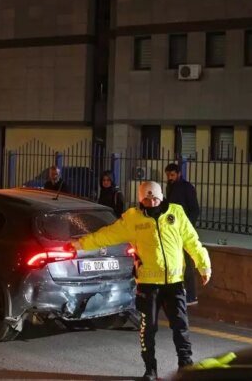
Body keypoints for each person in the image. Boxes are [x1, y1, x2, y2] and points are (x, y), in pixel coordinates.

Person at [72, 181, 211, 381]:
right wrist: (80, 244)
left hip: (174, 283)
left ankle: (185, 366)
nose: (152, 202)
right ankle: (150, 369)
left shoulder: (176, 214)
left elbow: (192, 241)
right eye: (147, 198)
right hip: (148, 285)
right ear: (140, 199)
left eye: (155, 197)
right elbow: (107, 236)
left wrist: (204, 265)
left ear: (162, 196)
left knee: (181, 326)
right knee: (148, 328)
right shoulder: (133, 219)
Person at [165, 163, 201, 306]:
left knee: (186, 263)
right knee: (175, 262)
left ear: (179, 174)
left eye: (172, 175)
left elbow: (194, 210)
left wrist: (187, 227)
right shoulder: (170, 187)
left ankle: (191, 296)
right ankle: (179, 293)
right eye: (168, 175)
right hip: (172, 230)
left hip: (184, 231)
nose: (170, 177)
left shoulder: (187, 188)